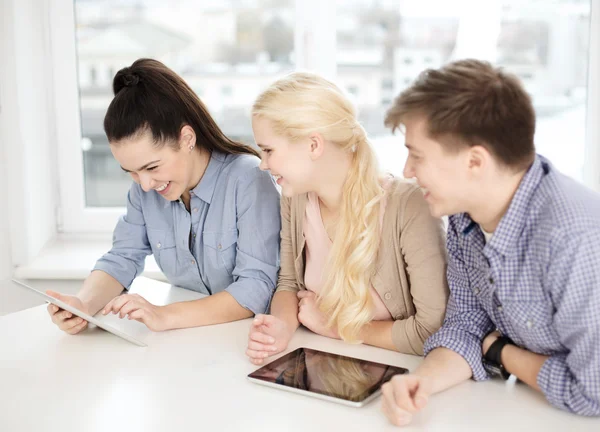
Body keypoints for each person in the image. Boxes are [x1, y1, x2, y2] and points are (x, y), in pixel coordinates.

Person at [380, 59, 600, 425]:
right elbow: (466, 325)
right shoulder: (465, 216)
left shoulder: (575, 239)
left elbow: (593, 391)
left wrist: (500, 352)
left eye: (417, 155)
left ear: (475, 162)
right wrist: (420, 382)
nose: (407, 171)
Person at [46, 58, 281, 334]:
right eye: (131, 172)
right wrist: (83, 304)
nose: (145, 184)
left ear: (187, 139)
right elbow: (122, 256)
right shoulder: (147, 188)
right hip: (184, 342)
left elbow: (256, 287)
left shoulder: (248, 179)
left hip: (245, 340)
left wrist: (164, 315)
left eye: (152, 167)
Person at [245, 72, 448, 365]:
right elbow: (289, 283)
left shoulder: (409, 207)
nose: (263, 164)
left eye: (268, 150)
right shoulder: (295, 197)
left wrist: (337, 327)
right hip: (325, 366)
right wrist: (281, 327)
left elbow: (432, 330)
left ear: (314, 145)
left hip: (394, 379)